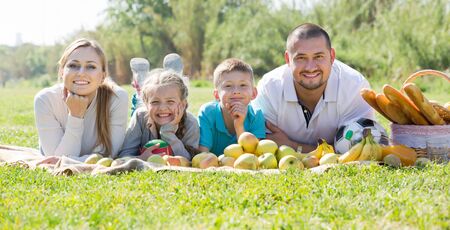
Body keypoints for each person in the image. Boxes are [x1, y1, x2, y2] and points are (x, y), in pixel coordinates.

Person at [252, 23, 374, 153]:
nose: (310, 67)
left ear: (332, 56)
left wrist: (292, 145)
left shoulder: (354, 86)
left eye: (318, 57)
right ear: (288, 59)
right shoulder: (270, 87)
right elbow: (259, 143)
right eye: (301, 58)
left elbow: (360, 148)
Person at [34, 38, 129, 163]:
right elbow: (57, 161)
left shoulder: (117, 98)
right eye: (73, 65)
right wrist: (75, 116)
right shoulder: (45, 100)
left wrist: (72, 160)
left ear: (103, 76)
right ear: (62, 72)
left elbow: (108, 154)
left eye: (91, 66)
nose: (81, 73)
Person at [119, 70, 199, 160]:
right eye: (155, 102)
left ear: (183, 104)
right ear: (146, 104)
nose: (162, 108)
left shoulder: (190, 123)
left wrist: (168, 133)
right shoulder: (140, 117)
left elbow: (188, 161)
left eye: (170, 101)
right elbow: (124, 156)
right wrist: (141, 158)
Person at [198, 58, 266, 156]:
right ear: (217, 95)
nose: (236, 91)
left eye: (243, 85)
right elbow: (202, 155)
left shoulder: (256, 116)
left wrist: (239, 126)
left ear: (254, 93)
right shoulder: (207, 113)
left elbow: (251, 158)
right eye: (228, 86)